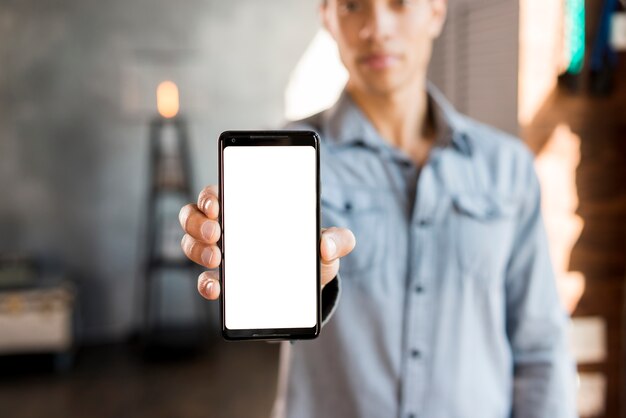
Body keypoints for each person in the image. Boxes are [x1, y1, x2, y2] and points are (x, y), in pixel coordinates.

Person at [178, 0, 578, 417]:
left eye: (399, 3)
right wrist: (272, 279)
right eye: (353, 6)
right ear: (327, 17)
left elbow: (541, 345)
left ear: (436, 12)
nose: (377, 27)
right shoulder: (287, 161)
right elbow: (272, 319)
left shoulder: (507, 167)